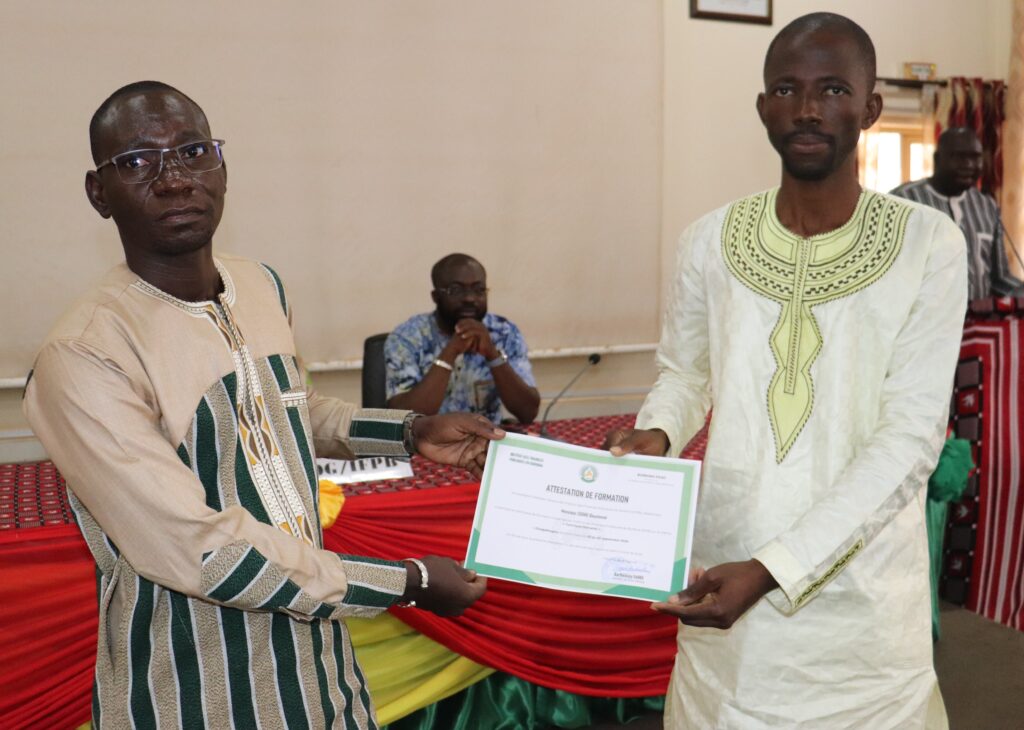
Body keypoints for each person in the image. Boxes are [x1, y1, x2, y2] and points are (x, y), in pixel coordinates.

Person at [23, 81, 500, 729]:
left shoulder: (259, 285)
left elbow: (285, 409)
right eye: (137, 161)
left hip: (323, 675)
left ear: (222, 167)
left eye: (193, 151)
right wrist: (409, 583)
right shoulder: (84, 354)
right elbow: (205, 553)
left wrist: (411, 431)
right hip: (199, 687)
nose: (174, 179)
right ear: (98, 192)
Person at [606, 13, 964, 729]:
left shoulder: (928, 244)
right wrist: (657, 433)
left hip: (861, 607)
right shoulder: (708, 241)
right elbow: (685, 374)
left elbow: (910, 438)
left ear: (870, 107)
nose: (806, 108)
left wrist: (775, 567)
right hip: (725, 571)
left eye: (832, 89)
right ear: (762, 106)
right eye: (786, 89)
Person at [385, 253, 540, 424]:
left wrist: (492, 354)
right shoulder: (408, 338)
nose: (469, 298)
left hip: (489, 436)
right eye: (456, 290)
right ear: (435, 296)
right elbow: (402, 419)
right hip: (429, 439)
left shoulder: (504, 332)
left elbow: (528, 412)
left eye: (479, 289)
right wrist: (450, 352)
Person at [891, 127, 1023, 300]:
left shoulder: (986, 206)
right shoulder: (902, 201)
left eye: (975, 157)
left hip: (979, 316)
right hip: (921, 316)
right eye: (959, 157)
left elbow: (1000, 278)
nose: (969, 165)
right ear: (937, 159)